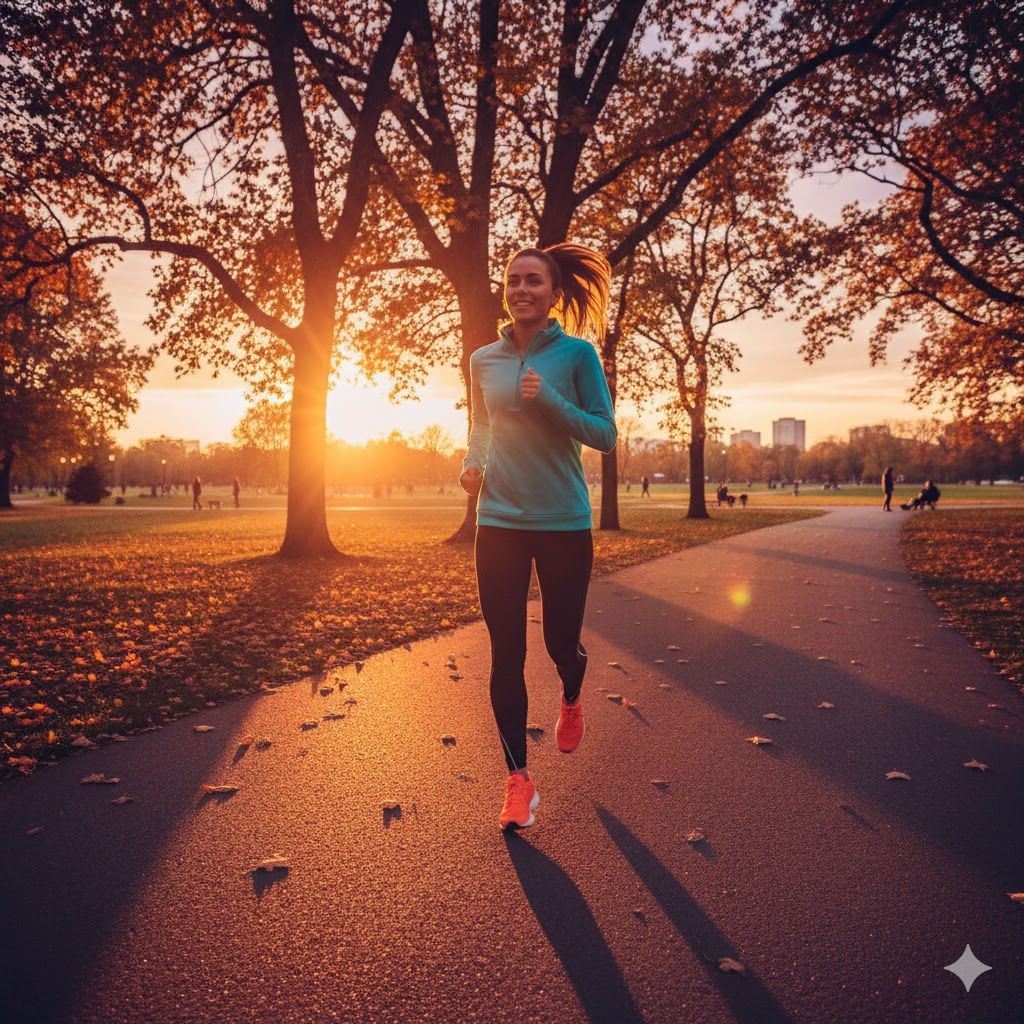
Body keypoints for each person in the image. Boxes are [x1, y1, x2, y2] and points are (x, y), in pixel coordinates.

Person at [459, 243, 617, 831]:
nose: (521, 289)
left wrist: (548, 399)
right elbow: (481, 425)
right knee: (506, 653)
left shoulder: (578, 355)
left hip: (562, 523)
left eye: (533, 281)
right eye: (513, 280)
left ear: (553, 293)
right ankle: (518, 781)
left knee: (559, 644)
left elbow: (605, 434)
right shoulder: (483, 359)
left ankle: (572, 693)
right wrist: (472, 463)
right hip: (498, 520)